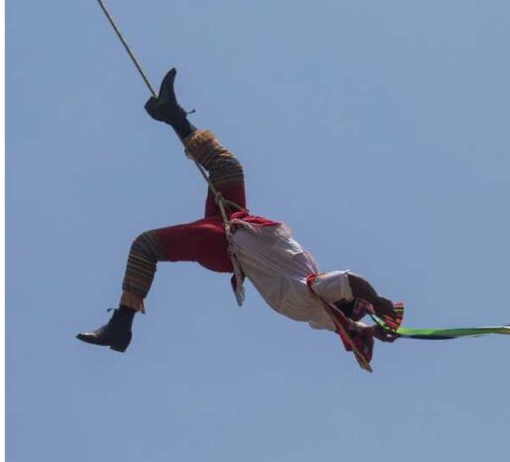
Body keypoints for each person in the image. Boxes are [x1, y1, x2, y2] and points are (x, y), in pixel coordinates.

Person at [77, 68, 400, 369]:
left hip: (225, 244)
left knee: (145, 245)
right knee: (228, 169)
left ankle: (121, 325)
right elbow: (340, 322)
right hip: (236, 221)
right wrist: (369, 330)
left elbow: (350, 280)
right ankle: (170, 113)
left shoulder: (314, 292)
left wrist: (375, 299)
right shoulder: (319, 309)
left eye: (349, 300)